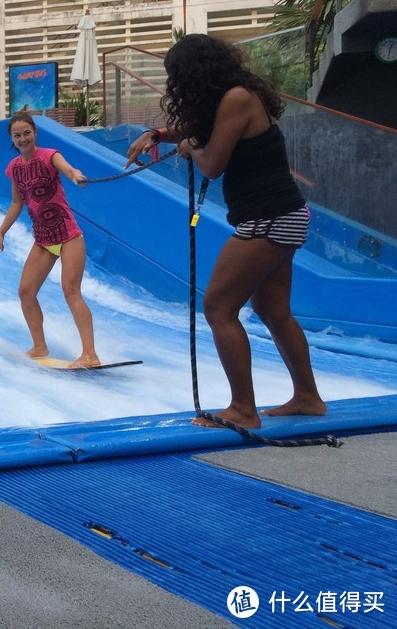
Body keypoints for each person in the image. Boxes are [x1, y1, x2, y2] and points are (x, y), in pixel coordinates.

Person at [125, 34, 326, 429]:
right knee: (273, 310)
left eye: (177, 77)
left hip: (267, 220)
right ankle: (308, 397)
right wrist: (160, 134)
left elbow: (212, 163)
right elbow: (200, 129)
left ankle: (243, 410)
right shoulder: (235, 97)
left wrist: (189, 148)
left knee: (218, 307)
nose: (176, 85)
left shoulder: (236, 98)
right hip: (282, 216)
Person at [0, 111, 101, 368]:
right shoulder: (15, 169)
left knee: (71, 291)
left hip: (68, 235)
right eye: (17, 135)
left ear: (35, 133)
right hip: (43, 239)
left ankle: (90, 355)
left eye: (27, 133)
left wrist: (77, 176)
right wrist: (1, 231)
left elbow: (69, 169)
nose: (23, 139)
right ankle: (40, 346)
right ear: (11, 138)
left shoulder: (49, 155)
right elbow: (16, 203)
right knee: (26, 291)